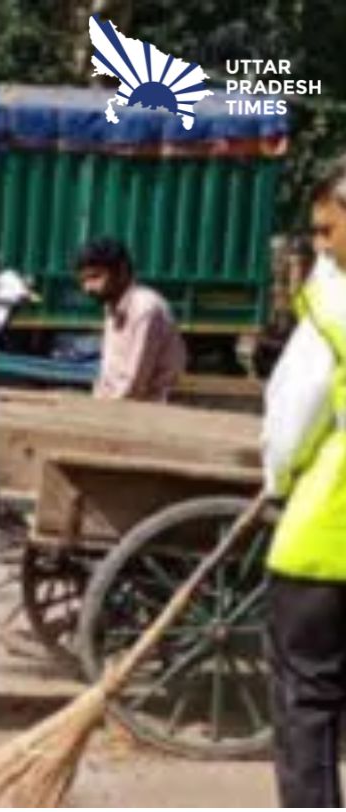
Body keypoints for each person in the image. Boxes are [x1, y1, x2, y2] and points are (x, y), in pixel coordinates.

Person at [262, 157, 346, 808]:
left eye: (327, 229)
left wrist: (278, 479)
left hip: (325, 546)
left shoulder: (333, 311)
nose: (321, 245)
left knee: (307, 710)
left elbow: (291, 424)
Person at [74, 237, 186, 401]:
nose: (88, 288)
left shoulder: (145, 310)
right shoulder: (112, 305)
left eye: (95, 277)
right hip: (119, 405)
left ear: (122, 271)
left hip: (147, 410)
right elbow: (109, 374)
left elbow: (134, 385)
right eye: (83, 280)